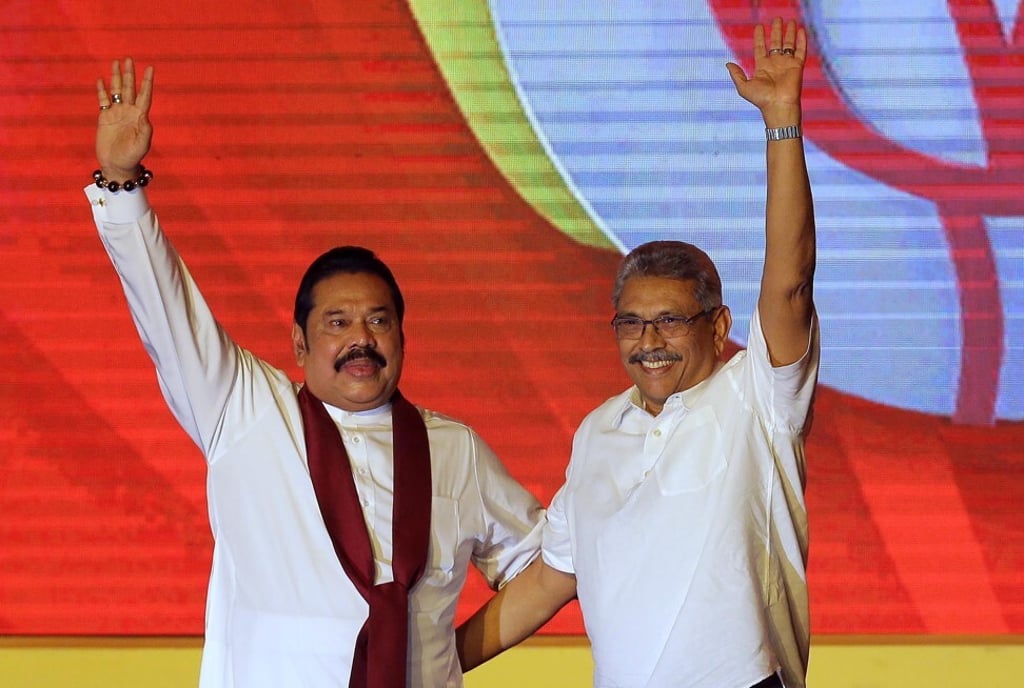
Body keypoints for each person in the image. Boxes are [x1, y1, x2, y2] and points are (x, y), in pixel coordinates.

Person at [86, 58, 545, 688]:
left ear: (403, 337)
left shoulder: (455, 449)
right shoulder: (244, 409)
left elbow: (547, 568)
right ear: (299, 343)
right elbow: (167, 314)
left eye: (378, 322)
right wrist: (122, 182)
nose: (361, 339)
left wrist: (441, 657)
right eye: (337, 323)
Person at [456, 17, 818, 688]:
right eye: (632, 324)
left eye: (671, 321)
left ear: (719, 328)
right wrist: (431, 665)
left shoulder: (757, 399)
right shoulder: (598, 432)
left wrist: (782, 123)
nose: (649, 341)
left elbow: (790, 282)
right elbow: (549, 580)